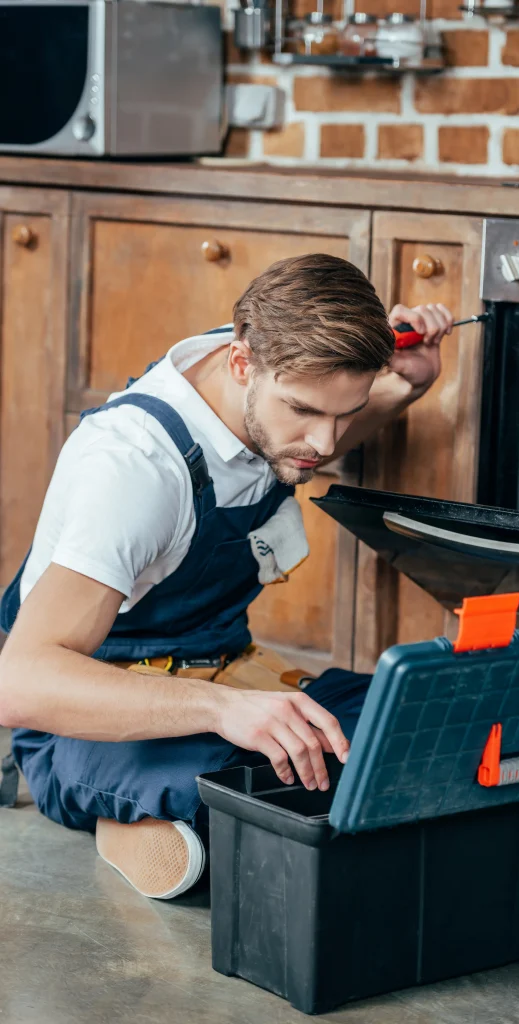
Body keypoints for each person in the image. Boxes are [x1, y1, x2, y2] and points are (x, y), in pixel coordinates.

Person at [0, 254, 453, 900]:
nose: (325, 445)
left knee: (419, 718)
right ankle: (132, 819)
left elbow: (317, 419)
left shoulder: (274, 378)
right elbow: (19, 683)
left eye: (345, 413)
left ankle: (177, 815)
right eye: (303, 411)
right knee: (247, 787)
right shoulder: (135, 470)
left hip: (232, 671)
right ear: (242, 363)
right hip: (93, 713)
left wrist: (404, 385)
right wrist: (221, 709)